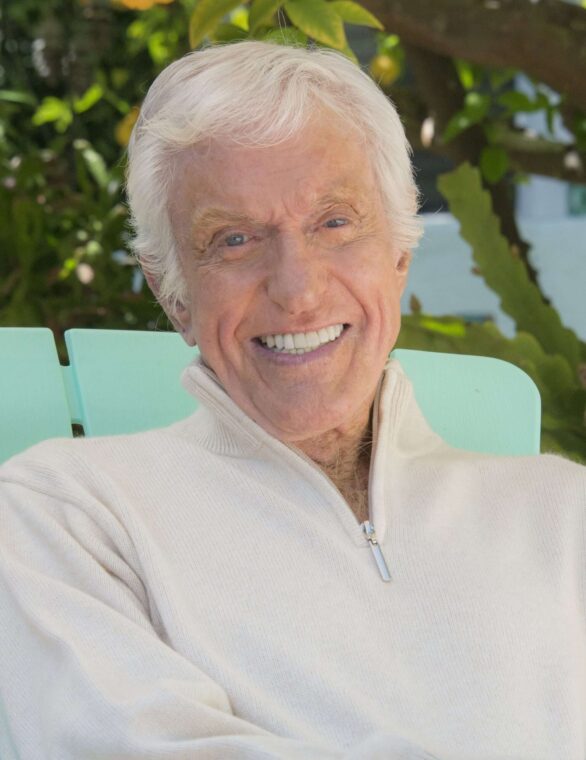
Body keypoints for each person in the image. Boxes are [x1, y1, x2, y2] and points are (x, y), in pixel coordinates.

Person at [0, 40, 585, 760]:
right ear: (171, 291)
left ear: (399, 255)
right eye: (235, 239)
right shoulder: (69, 513)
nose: (298, 289)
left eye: (334, 223)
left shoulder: (562, 516)